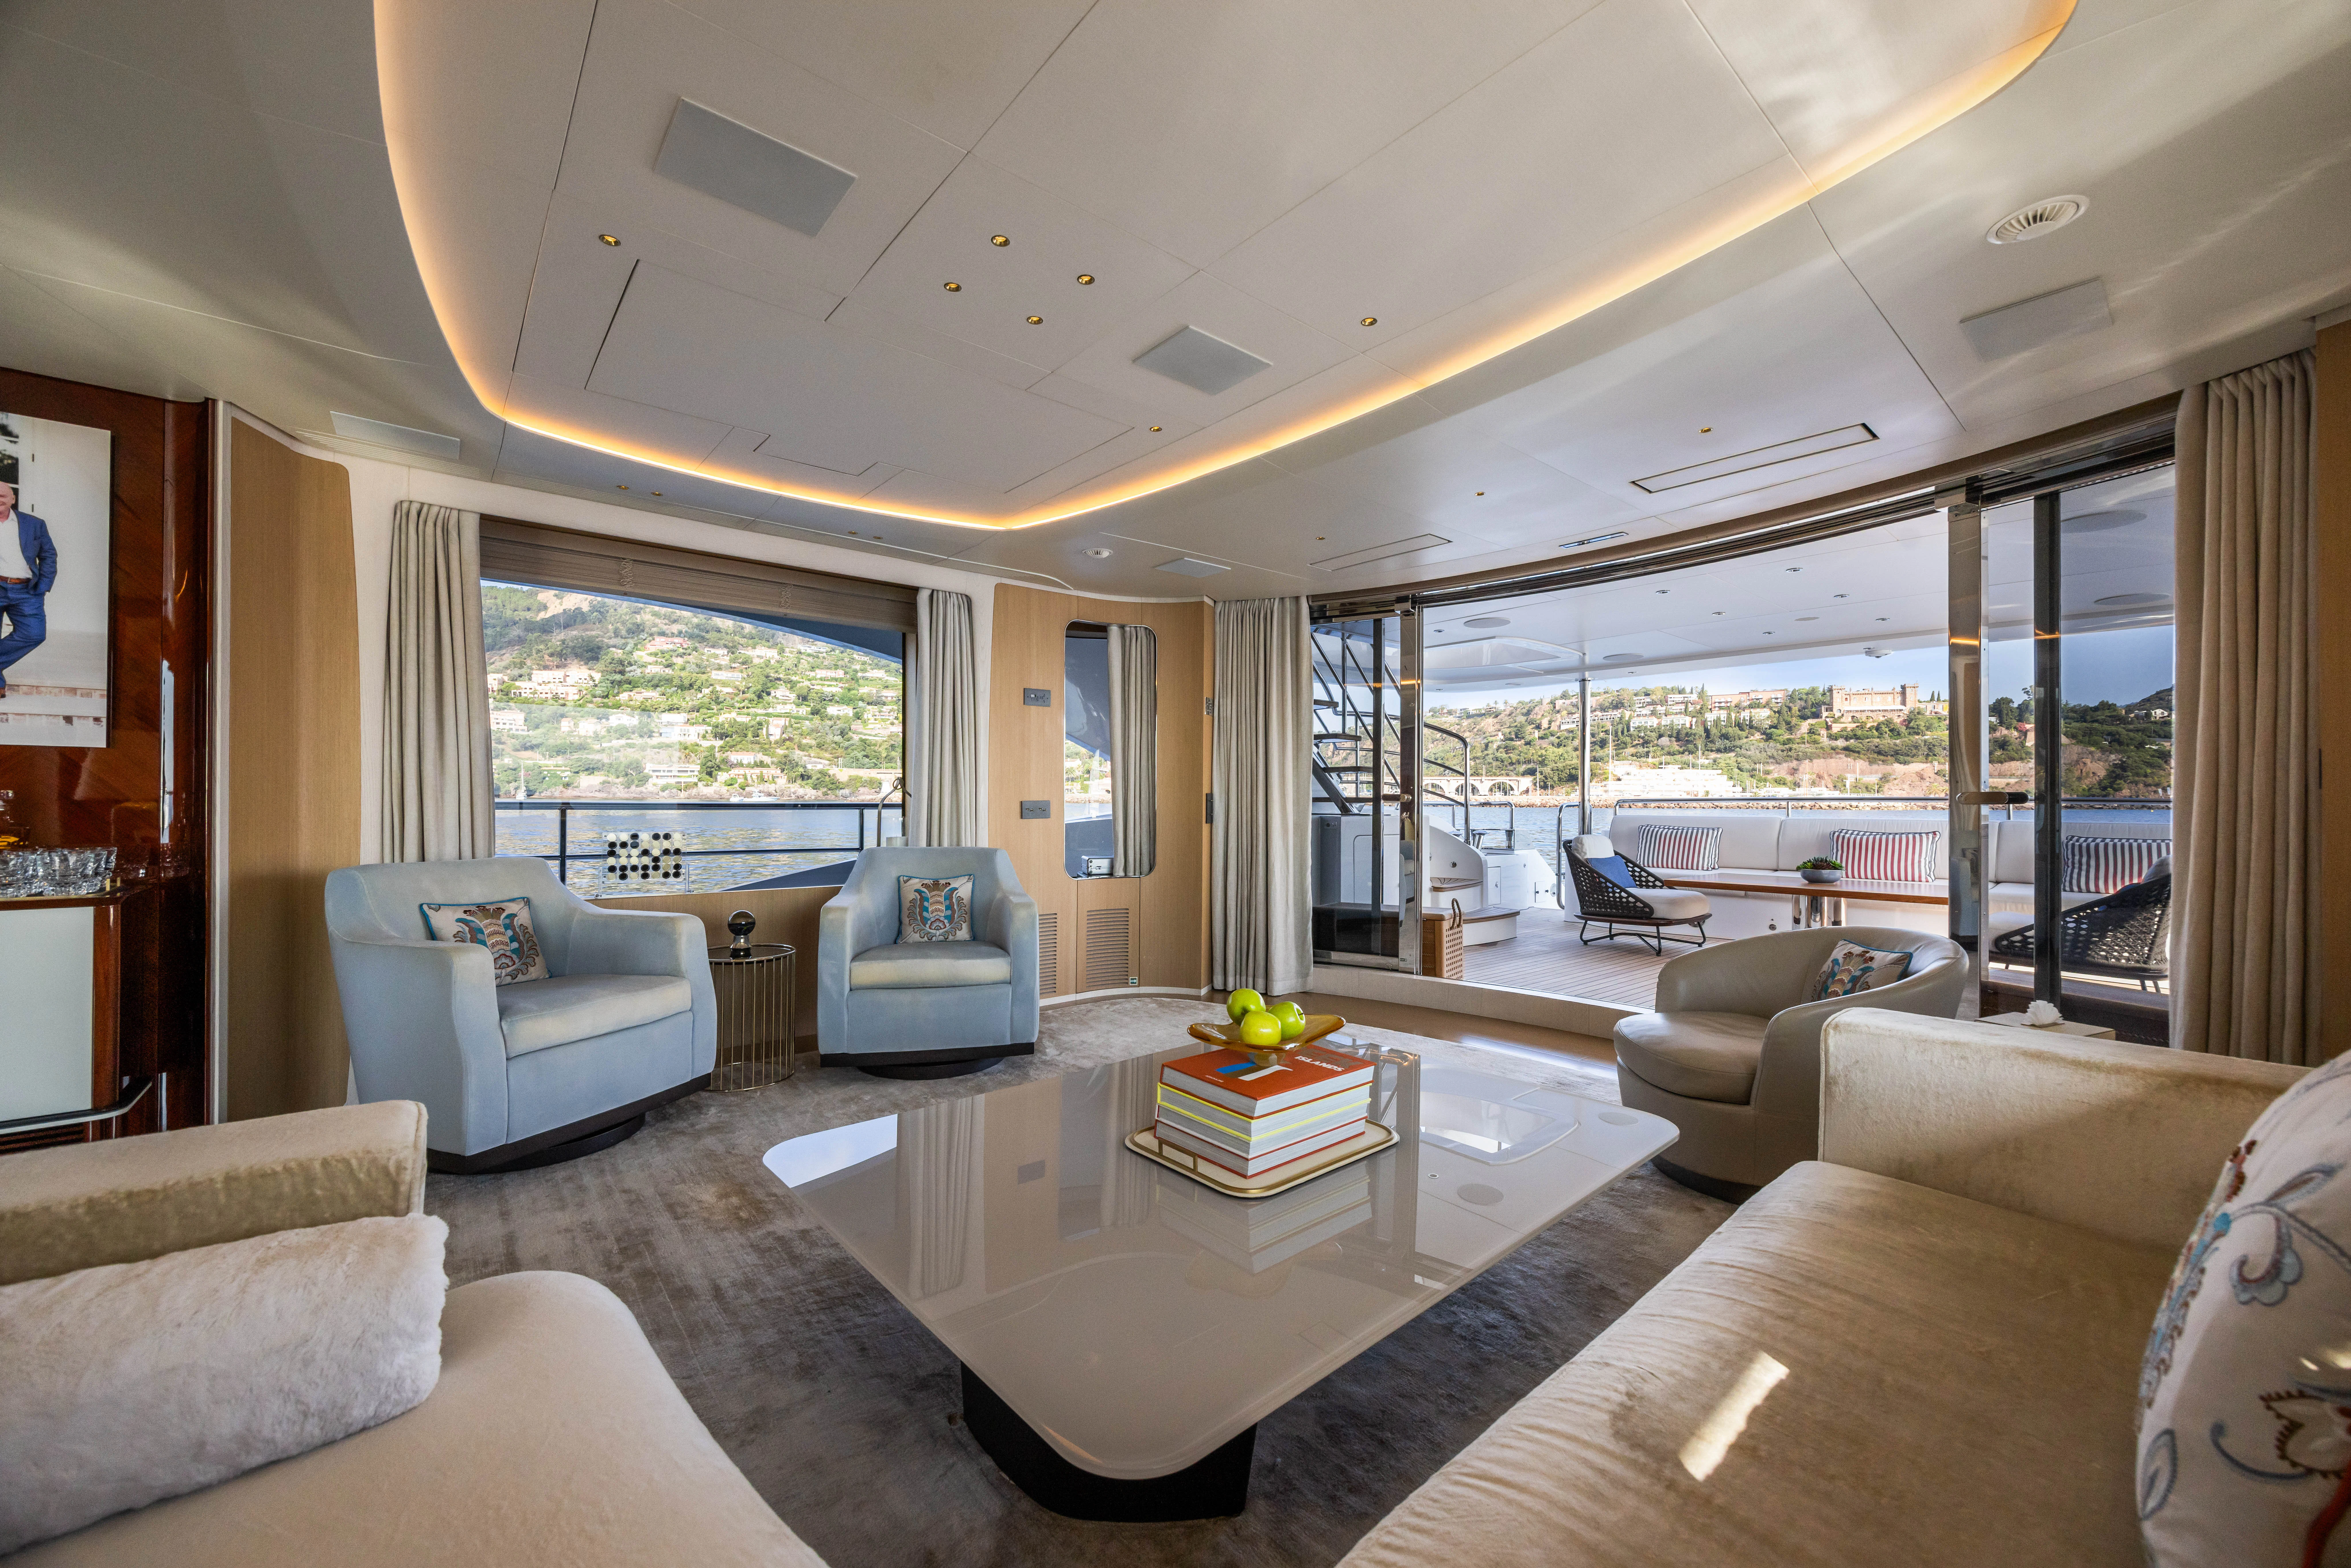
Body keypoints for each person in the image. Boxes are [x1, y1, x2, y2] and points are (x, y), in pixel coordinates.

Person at [0, 478, 58, 700]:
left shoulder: (35, 524)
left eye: (3, 496)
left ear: (13, 499)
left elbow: (48, 555)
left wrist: (43, 586)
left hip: (26, 590)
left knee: (34, 634)